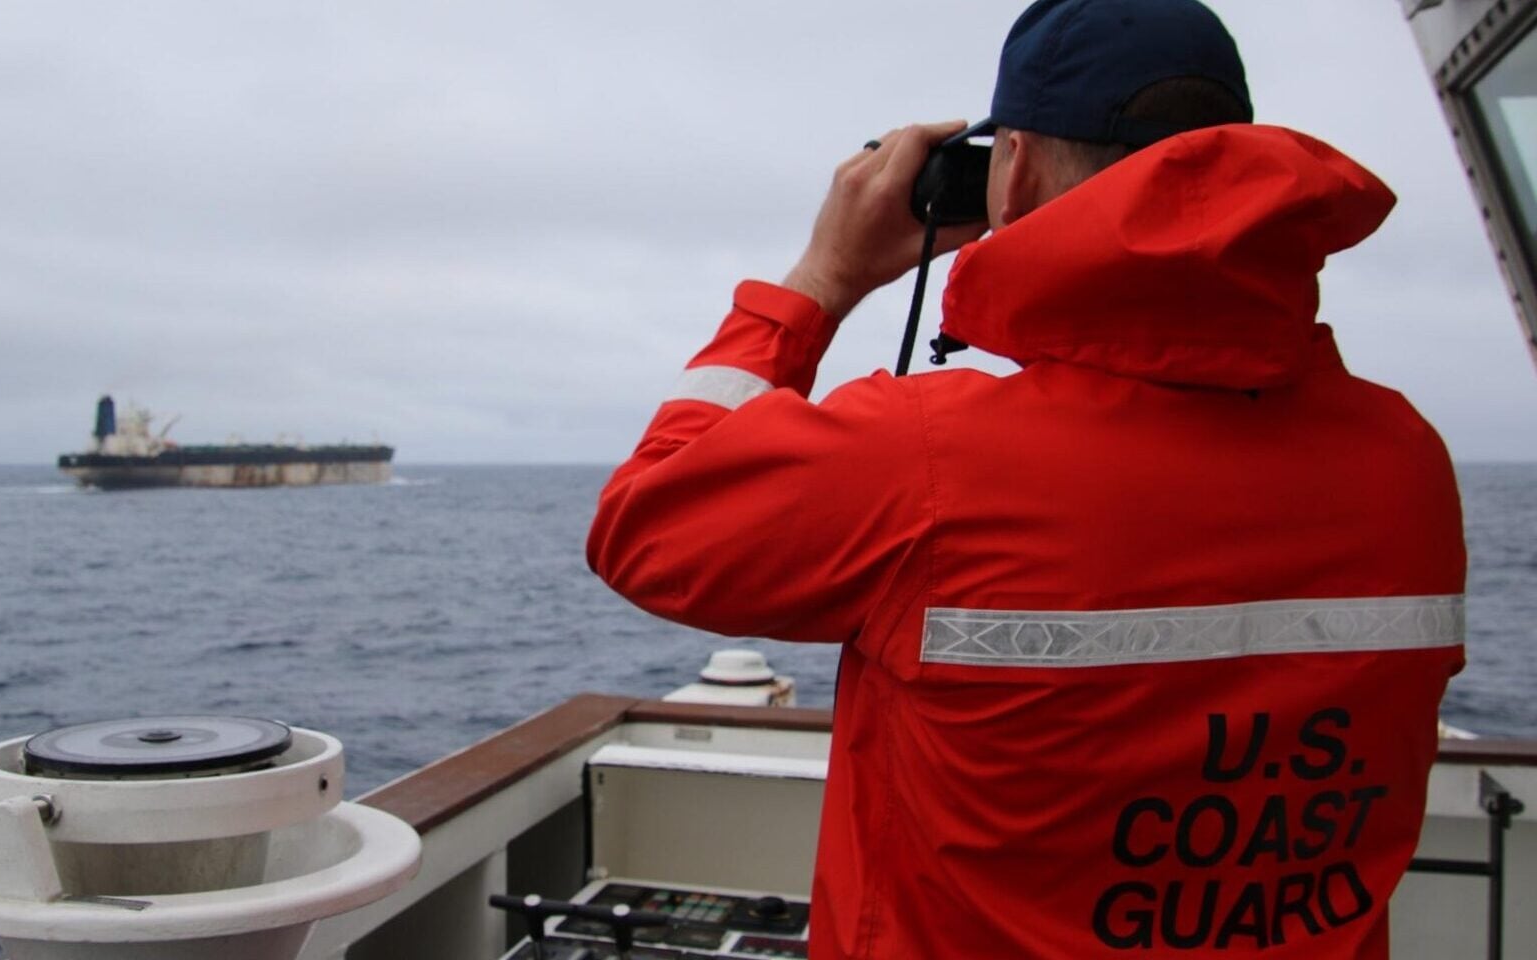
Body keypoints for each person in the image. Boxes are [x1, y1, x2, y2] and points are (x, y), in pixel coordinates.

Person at [586, 0, 1467, 957]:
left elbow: (645, 522)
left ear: (1015, 170)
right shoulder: (1406, 462)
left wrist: (821, 278)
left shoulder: (923, 463)